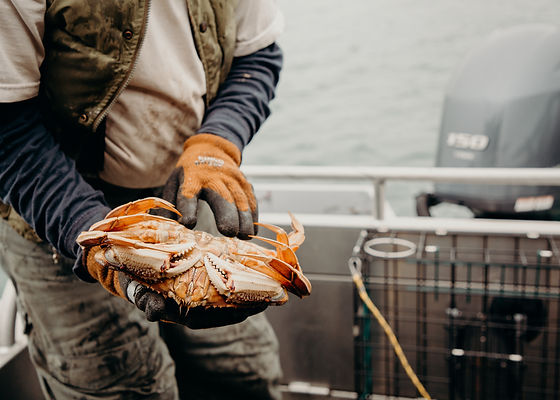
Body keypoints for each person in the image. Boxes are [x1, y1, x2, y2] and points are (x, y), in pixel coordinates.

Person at [0, 1, 285, 399]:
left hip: (183, 191)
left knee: (240, 372)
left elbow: (258, 54)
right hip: (55, 202)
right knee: (128, 388)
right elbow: (7, 123)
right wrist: (93, 232)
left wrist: (215, 145)